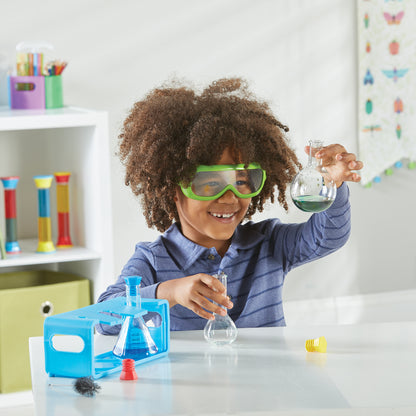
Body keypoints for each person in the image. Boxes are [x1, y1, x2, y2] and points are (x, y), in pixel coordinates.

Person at [97, 77, 362, 333]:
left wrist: (333, 184)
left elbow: (328, 237)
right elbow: (102, 319)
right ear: (173, 189)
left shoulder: (268, 243)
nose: (229, 197)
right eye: (210, 182)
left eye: (242, 180)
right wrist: (169, 292)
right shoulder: (153, 260)